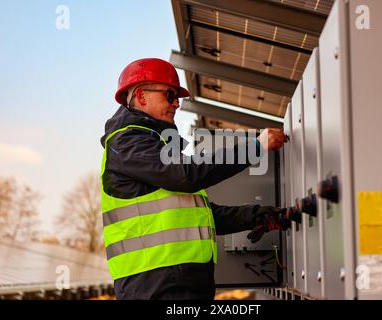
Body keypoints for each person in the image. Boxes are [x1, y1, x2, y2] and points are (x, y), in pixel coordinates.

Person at [100, 58, 290, 300]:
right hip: (155, 286)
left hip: (176, 282)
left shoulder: (153, 146)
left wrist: (253, 215)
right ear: (142, 96)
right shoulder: (128, 143)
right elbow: (186, 175)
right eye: (170, 95)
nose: (176, 104)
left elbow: (198, 215)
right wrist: (256, 146)